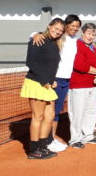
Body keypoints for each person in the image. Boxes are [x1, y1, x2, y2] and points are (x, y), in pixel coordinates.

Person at [31, 13, 81, 152]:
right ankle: (47, 140)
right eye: (72, 25)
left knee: (57, 110)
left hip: (67, 79)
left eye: (77, 26)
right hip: (55, 79)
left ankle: (50, 139)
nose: (75, 28)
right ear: (66, 25)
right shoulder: (60, 37)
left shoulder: (76, 40)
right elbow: (41, 36)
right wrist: (34, 34)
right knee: (50, 112)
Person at [21, 18, 64, 159]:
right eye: (56, 28)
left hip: (47, 84)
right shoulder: (38, 39)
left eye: (60, 31)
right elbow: (31, 62)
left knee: (50, 115)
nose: (58, 32)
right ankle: (34, 150)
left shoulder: (54, 44)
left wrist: (52, 80)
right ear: (49, 26)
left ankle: (42, 146)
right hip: (36, 82)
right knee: (38, 116)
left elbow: (49, 66)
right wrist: (45, 80)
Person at [69, 22, 96, 149]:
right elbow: (80, 65)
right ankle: (75, 139)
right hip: (79, 85)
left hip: (92, 85)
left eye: (93, 34)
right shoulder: (77, 45)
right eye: (88, 33)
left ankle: (88, 136)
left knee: (91, 111)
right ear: (82, 33)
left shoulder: (93, 47)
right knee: (77, 112)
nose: (91, 36)